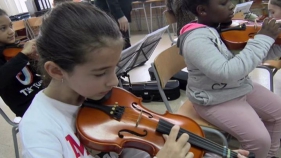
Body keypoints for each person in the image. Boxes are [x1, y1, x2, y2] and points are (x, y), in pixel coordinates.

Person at [18, 3, 195, 158]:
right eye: (100, 73)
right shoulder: (39, 131)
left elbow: (132, 147)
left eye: (114, 68)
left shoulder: (100, 96)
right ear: (56, 71)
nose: (114, 82)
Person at [176, 0, 281, 158]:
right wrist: (263, 39)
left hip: (236, 87)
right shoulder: (196, 40)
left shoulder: (219, 27)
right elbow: (227, 73)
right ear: (202, 10)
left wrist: (275, 42)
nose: (232, 6)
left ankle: (268, 155)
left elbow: (250, 58)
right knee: (259, 140)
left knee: (278, 111)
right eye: (224, 3)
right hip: (214, 98)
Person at [0, 9, 42, 117]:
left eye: (10, 26)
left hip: (42, 91)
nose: (11, 31)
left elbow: (35, 72)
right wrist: (22, 56)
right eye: (3, 28)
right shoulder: (19, 54)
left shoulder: (16, 48)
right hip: (26, 104)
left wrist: (37, 60)